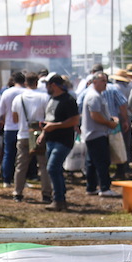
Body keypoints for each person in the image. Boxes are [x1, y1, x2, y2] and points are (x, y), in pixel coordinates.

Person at [38, 73, 80, 212]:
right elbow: (50, 118)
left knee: (52, 168)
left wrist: (54, 126)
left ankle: (58, 199)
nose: (46, 88)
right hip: (51, 139)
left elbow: (74, 120)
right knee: (55, 169)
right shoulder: (52, 99)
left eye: (48, 85)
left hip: (63, 140)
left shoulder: (68, 100)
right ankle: (60, 199)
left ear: (54, 85)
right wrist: (44, 131)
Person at [11, 72, 52, 204]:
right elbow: (48, 116)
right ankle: (46, 194)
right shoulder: (44, 97)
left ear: (25, 82)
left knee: (21, 165)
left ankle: (17, 193)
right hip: (40, 134)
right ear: (37, 82)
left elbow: (15, 119)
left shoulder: (18, 98)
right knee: (44, 166)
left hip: (23, 134)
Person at [80, 71, 119, 197]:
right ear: (94, 81)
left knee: (91, 162)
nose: (105, 83)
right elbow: (95, 115)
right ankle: (104, 187)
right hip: (96, 133)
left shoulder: (96, 95)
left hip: (92, 133)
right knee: (102, 161)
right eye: (102, 81)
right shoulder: (94, 96)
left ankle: (91, 187)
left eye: (106, 80)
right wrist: (109, 123)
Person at [0, 70, 26, 191]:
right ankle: (22, 179)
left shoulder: (6, 93)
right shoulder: (26, 92)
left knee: (8, 154)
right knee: (23, 156)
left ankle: (6, 179)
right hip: (23, 128)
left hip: (9, 127)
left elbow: (1, 112)